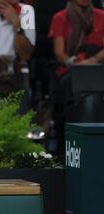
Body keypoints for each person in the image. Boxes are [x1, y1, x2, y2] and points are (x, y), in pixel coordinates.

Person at [49, 0, 104, 152]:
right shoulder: (60, 17)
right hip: (70, 69)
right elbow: (59, 53)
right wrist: (73, 63)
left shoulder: (102, 16)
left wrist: (92, 60)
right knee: (70, 84)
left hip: (97, 67)